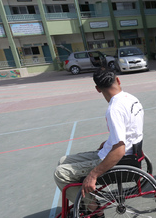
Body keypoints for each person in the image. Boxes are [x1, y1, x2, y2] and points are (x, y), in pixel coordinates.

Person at [54, 67, 144, 210]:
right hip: (132, 153)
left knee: (60, 173)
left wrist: (93, 174)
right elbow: (129, 132)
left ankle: (92, 208)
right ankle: (88, 199)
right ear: (118, 80)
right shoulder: (132, 99)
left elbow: (119, 150)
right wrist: (109, 141)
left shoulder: (114, 109)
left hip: (119, 159)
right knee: (63, 161)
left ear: (97, 89)